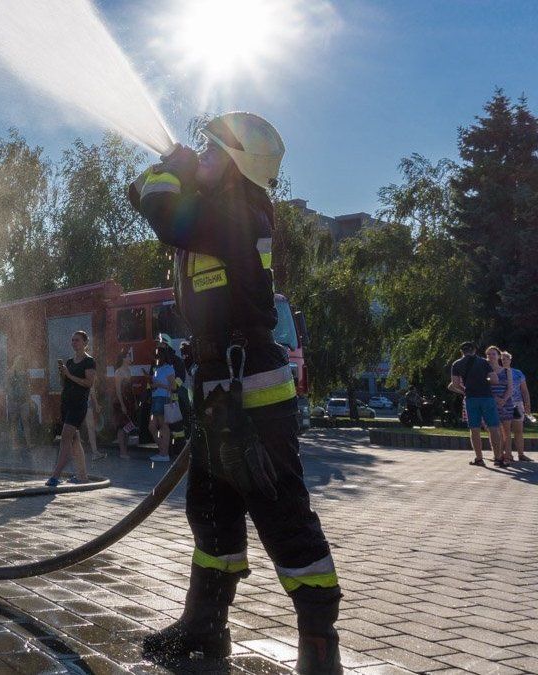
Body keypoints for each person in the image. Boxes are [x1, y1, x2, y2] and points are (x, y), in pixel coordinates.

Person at [129, 112, 342, 671]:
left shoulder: (238, 213)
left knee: (284, 520)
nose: (200, 152)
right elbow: (144, 198)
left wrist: (173, 174)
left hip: (252, 394)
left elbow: (164, 217)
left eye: (210, 148)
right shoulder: (219, 209)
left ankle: (320, 647)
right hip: (219, 388)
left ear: (237, 162)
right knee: (212, 514)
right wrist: (177, 170)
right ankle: (203, 628)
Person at [46, 330, 96, 486]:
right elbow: (64, 384)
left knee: (65, 438)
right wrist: (62, 374)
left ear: (85, 343)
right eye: (73, 340)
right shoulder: (69, 361)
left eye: (78, 340)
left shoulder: (89, 361)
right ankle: (82, 476)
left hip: (78, 405)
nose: (74, 343)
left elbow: (88, 383)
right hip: (66, 404)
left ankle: (55, 475)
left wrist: (69, 375)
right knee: (74, 440)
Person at [449, 341, 503, 467]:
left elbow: (455, 384)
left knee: (474, 429)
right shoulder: (484, 362)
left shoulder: (456, 364)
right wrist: (485, 380)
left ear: (462, 351)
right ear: (474, 350)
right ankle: (498, 458)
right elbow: (495, 380)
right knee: (493, 427)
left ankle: (479, 458)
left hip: (471, 399)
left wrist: (465, 390)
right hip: (487, 398)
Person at [500, 352, 531, 462]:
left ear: (510, 360)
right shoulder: (497, 372)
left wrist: (527, 404)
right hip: (503, 404)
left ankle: (521, 454)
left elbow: (524, 390)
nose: (504, 361)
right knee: (505, 431)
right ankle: (507, 454)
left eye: (506, 358)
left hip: (517, 404)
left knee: (518, 430)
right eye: (502, 359)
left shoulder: (518, 373)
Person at [148, 345, 176, 463]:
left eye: (158, 356)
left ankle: (164, 453)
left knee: (163, 425)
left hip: (163, 398)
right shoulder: (157, 369)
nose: (156, 358)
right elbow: (156, 385)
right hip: (156, 397)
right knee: (152, 426)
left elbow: (173, 387)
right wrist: (154, 385)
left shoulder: (169, 368)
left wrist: (159, 385)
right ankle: (163, 451)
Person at [6, 356, 35, 451]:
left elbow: (28, 388)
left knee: (25, 422)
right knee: (15, 422)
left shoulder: (25, 374)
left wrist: (29, 400)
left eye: (21, 362)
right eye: (18, 361)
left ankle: (28, 444)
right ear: (15, 362)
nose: (20, 363)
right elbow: (8, 387)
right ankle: (15, 444)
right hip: (14, 401)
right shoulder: (10, 373)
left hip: (23, 401)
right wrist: (12, 399)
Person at [113, 350, 138, 459]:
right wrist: (122, 405)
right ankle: (122, 452)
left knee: (128, 426)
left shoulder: (128, 370)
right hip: (121, 401)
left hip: (130, 401)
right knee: (122, 426)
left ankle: (125, 450)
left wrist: (135, 401)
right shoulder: (118, 372)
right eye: (128, 356)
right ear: (123, 359)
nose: (130, 358)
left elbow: (131, 388)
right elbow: (118, 390)